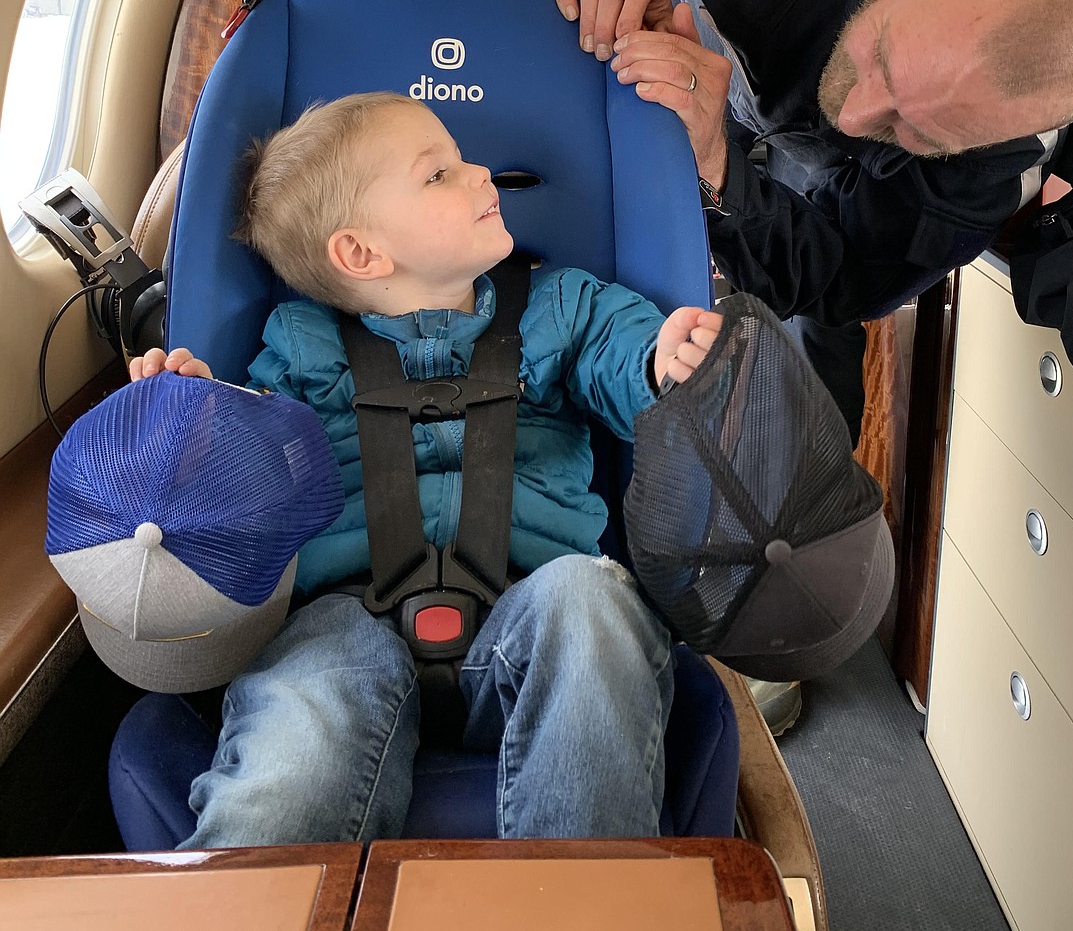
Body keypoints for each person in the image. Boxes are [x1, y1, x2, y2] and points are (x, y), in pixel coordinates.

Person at [554, 0, 1073, 737]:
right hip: (749, 11)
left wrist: (722, 163)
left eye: (919, 125)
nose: (870, 106)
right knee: (666, 267)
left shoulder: (989, 168)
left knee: (793, 336)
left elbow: (833, 274)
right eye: (885, 62)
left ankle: (757, 603)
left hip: (834, 176)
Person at [129, 90, 724, 848]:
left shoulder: (563, 308)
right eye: (438, 174)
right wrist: (188, 431)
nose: (482, 173)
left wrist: (661, 362)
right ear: (362, 253)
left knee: (594, 597)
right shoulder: (301, 348)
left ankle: (583, 925)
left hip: (530, 618)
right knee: (307, 719)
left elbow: (621, 358)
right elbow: (256, 477)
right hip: (345, 621)